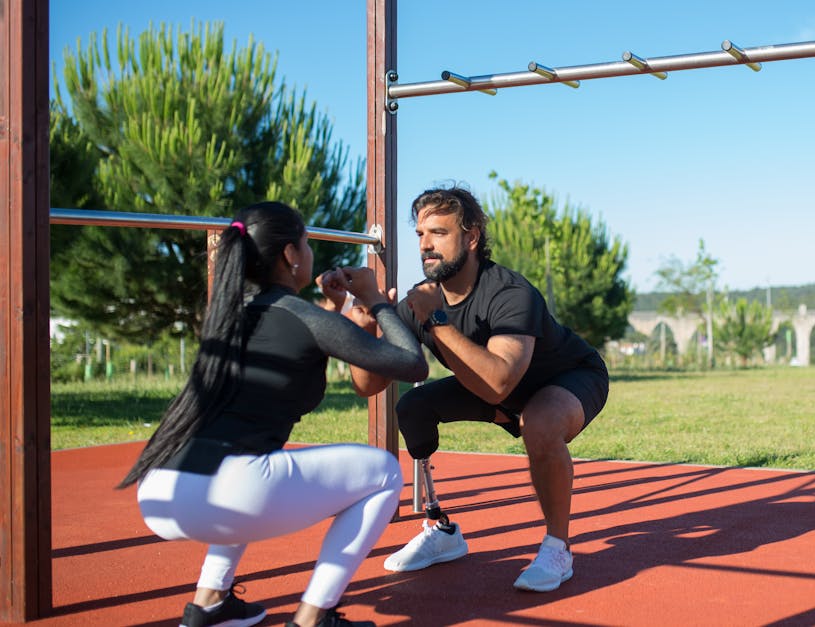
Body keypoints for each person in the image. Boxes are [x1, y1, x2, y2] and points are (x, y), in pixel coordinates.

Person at [118, 201, 429, 627]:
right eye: (307, 243)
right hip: (226, 493)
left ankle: (210, 603)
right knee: (383, 472)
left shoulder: (230, 316)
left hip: (160, 491)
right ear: (289, 255)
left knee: (250, 461)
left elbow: (299, 346)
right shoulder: (299, 315)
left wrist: (332, 306)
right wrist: (376, 301)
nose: (310, 253)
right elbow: (413, 364)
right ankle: (312, 618)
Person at [347, 186, 609, 593]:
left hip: (567, 377)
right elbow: (369, 384)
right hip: (499, 390)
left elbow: (498, 382)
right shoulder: (422, 300)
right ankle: (442, 529)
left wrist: (434, 318)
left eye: (438, 232)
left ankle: (558, 547)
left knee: (538, 423)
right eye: (420, 234)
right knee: (413, 407)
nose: (426, 245)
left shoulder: (509, 293)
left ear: (471, 237)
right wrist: (362, 325)